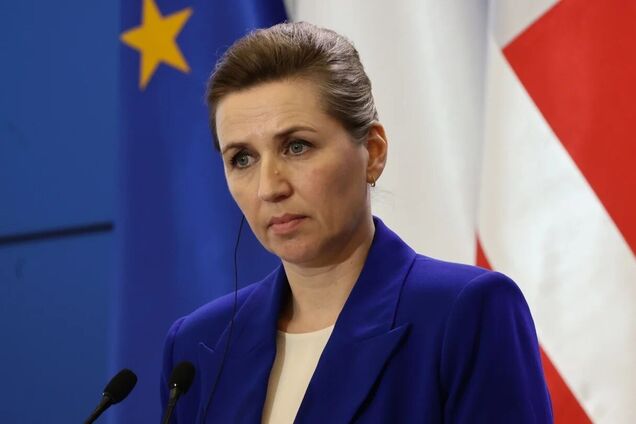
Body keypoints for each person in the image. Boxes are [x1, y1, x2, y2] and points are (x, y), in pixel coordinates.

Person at [161, 22, 553, 423]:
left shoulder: (466, 313)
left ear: (374, 152)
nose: (269, 188)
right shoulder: (195, 346)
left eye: (297, 146)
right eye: (242, 159)